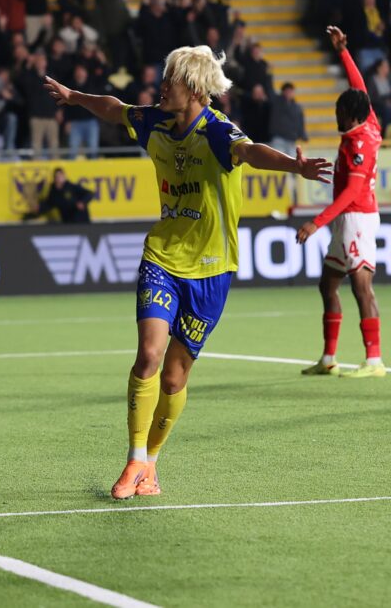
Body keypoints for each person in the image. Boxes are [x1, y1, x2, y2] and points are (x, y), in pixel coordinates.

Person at [44, 45, 332, 500]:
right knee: (149, 354)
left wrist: (294, 165)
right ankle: (134, 458)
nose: (162, 87)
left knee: (174, 378)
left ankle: (151, 466)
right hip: (162, 257)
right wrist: (75, 97)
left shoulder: (217, 131)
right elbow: (116, 109)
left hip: (211, 271)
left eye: (171, 81)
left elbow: (251, 152)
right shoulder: (154, 122)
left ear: (195, 89)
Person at [297, 26, 385, 378]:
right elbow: (359, 88)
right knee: (328, 283)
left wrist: (314, 222)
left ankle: (374, 361)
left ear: (350, 115)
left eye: (340, 111)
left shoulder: (359, 145)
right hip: (346, 219)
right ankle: (329, 358)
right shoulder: (367, 122)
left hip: (356, 218)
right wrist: (343, 51)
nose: (337, 115)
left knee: (362, 287)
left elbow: (350, 192)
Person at [24, 167, 94, 222]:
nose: (59, 178)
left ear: (64, 176)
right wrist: (39, 208)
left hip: (81, 221)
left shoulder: (72, 187)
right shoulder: (54, 192)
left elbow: (89, 193)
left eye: (61, 176)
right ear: (54, 178)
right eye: (57, 176)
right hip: (67, 222)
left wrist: (83, 202)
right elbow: (49, 204)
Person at [268, 82, 306, 156]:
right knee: (277, 158)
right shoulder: (276, 103)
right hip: (278, 137)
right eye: (287, 91)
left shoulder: (297, 107)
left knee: (292, 159)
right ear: (283, 92)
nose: (289, 93)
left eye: (291, 91)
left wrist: (302, 134)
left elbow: (300, 121)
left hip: (291, 139)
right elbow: (269, 91)